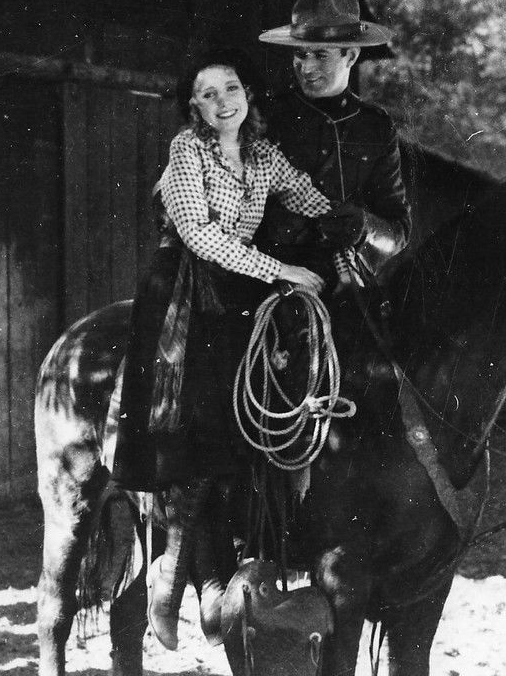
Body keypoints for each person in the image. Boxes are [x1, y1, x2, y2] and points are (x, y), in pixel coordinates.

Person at [111, 48, 339, 651]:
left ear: (248, 96)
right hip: (183, 288)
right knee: (204, 417)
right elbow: (201, 234)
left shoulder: (265, 156)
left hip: (238, 287)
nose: (223, 101)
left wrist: (351, 226)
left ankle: (241, 567)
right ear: (194, 107)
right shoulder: (188, 150)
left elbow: (310, 199)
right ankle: (171, 568)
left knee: (264, 401)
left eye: (230, 88)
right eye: (208, 94)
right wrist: (283, 269)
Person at [256, 0, 411, 290]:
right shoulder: (264, 117)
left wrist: (366, 227)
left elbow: (400, 230)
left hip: (345, 283)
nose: (306, 67)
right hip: (270, 277)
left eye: (321, 56)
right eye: (300, 54)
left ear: (351, 56)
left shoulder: (376, 127)